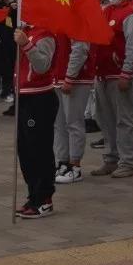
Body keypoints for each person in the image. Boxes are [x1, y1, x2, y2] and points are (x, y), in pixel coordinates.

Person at [91, 0, 133, 178]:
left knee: (124, 119)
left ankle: (127, 161)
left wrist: (126, 72)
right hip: (103, 73)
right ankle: (111, 158)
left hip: (120, 74)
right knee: (105, 118)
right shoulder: (107, 11)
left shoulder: (131, 14)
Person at [14, 23, 58, 219]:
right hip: (23, 96)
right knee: (25, 150)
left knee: (39, 148)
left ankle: (44, 198)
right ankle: (33, 195)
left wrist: (26, 45)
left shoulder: (45, 34)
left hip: (39, 98)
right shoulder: (27, 31)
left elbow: (42, 65)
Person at [52, 32, 92, 184]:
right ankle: (63, 162)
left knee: (73, 122)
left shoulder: (75, 19)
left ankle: (75, 166)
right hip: (58, 77)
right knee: (59, 124)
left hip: (76, 79)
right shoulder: (58, 19)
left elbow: (80, 48)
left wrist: (70, 75)